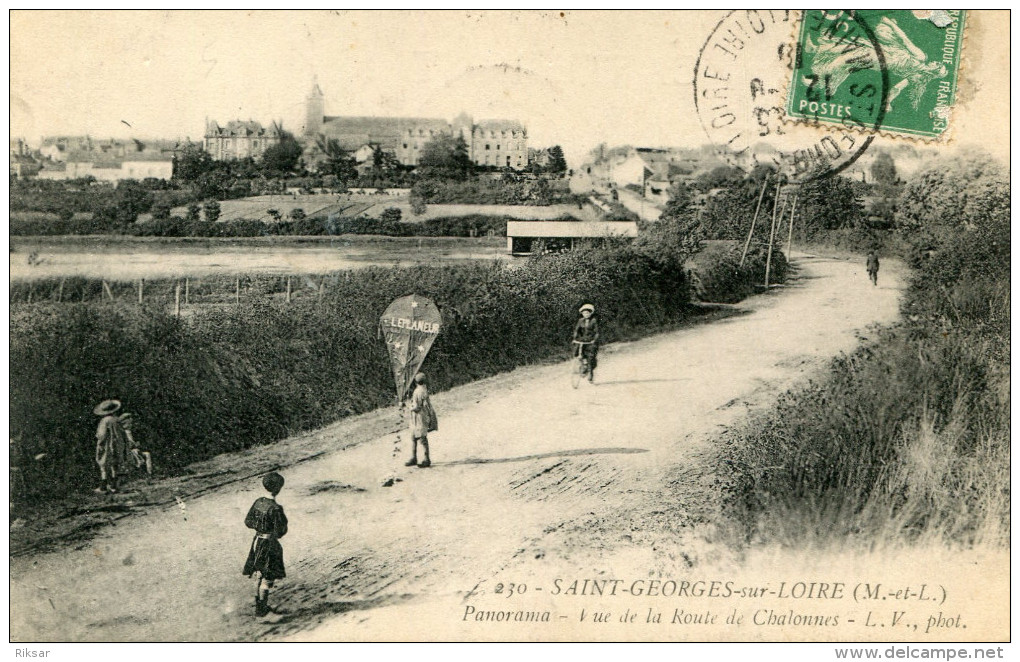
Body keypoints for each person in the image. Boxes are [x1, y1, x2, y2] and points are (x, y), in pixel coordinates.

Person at [243, 472, 288, 618]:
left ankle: (260, 606)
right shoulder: (275, 508)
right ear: (279, 489)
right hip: (269, 544)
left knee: (258, 572)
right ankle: (263, 611)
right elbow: (281, 531)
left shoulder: (258, 502)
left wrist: (260, 527)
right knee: (268, 576)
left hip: (257, 541)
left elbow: (248, 522)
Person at [94, 399, 129, 493]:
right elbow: (123, 432)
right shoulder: (117, 420)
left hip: (107, 445)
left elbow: (102, 434)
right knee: (114, 465)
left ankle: (103, 486)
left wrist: (100, 442)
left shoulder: (104, 421)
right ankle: (113, 486)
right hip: (117, 444)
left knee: (104, 465)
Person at [406, 372, 438, 468]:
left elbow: (417, 407)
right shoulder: (424, 389)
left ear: (416, 381)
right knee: (415, 436)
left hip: (419, 417)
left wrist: (408, 407)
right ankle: (415, 458)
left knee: (420, 437)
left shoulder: (417, 392)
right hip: (422, 416)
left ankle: (426, 459)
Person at [572, 303, 600, 383]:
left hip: (591, 341)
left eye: (587, 313)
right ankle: (583, 367)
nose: (586, 314)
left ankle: (590, 372)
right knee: (579, 354)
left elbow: (597, 332)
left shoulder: (594, 321)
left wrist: (594, 340)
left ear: (591, 313)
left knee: (591, 358)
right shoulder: (580, 321)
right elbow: (576, 331)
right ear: (582, 314)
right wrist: (575, 338)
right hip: (583, 340)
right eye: (584, 313)